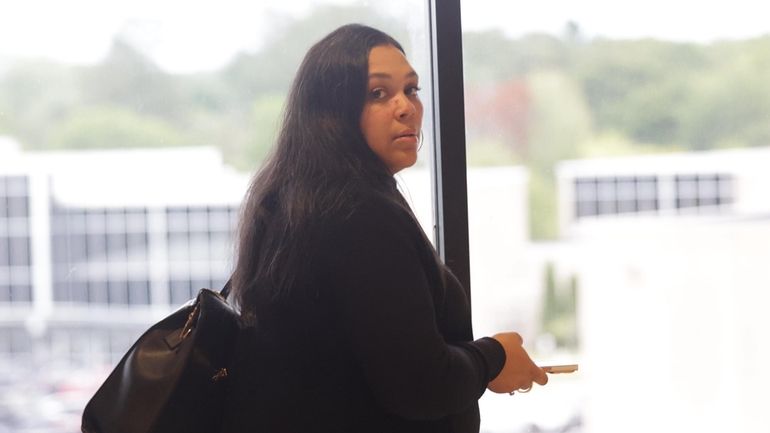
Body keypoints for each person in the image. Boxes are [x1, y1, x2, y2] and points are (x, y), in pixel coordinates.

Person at [220, 23, 548, 433]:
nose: (406, 107)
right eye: (378, 94)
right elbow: (420, 384)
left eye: (411, 90)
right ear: (331, 114)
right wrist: (494, 356)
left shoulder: (298, 198)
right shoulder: (355, 213)